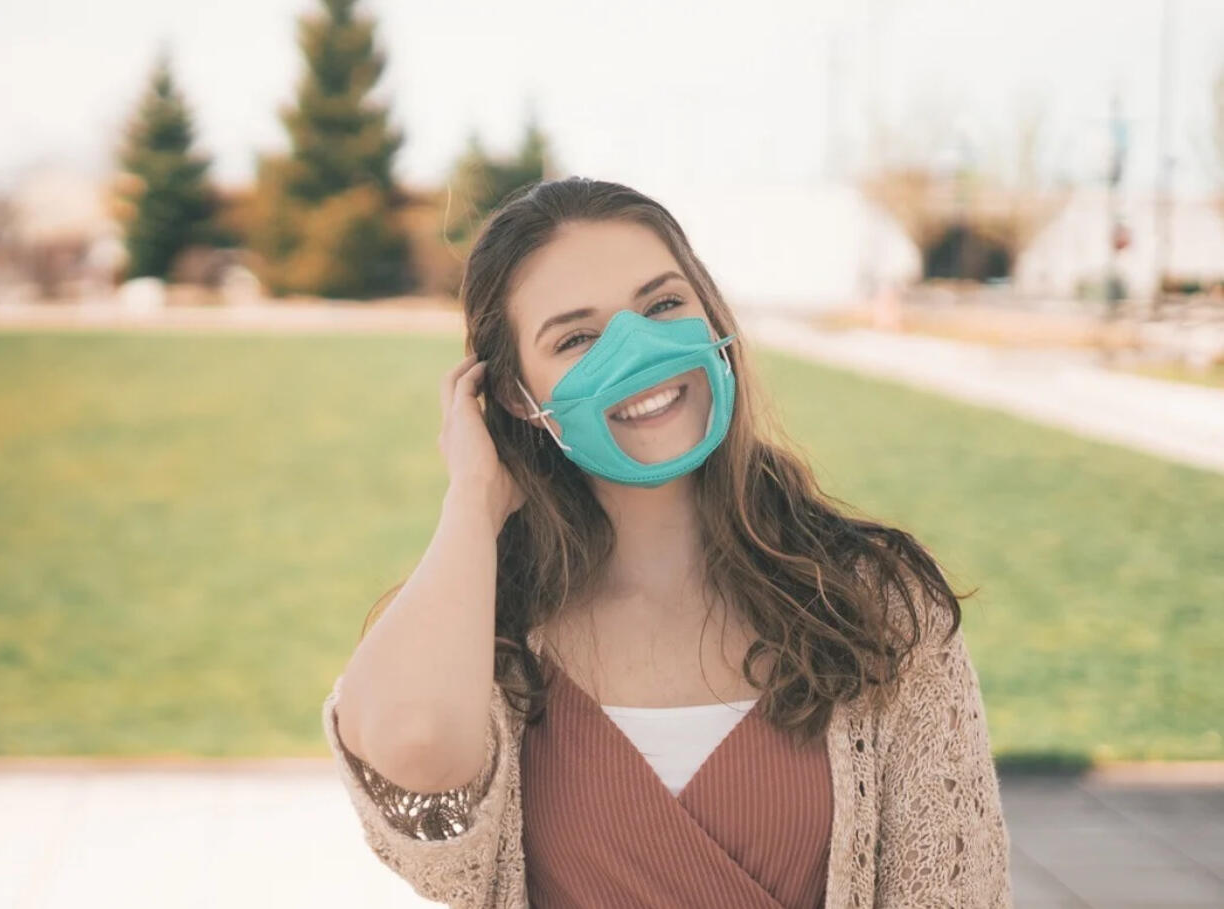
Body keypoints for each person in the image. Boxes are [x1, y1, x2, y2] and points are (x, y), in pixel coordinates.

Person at [320, 176, 1012, 908]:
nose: (641, 347)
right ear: (521, 398)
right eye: (577, 337)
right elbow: (417, 740)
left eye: (663, 304)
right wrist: (473, 498)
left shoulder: (879, 605)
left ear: (712, 317)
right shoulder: (488, 629)